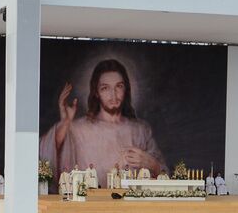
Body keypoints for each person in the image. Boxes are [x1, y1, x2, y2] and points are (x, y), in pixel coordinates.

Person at [40, 58, 166, 188]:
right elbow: (45, 158)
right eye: (105, 88)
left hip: (131, 206)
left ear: (126, 89)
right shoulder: (78, 129)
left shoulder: (140, 130)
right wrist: (65, 123)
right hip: (91, 206)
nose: (113, 94)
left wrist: (152, 164)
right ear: (96, 92)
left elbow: (165, 174)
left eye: (119, 86)